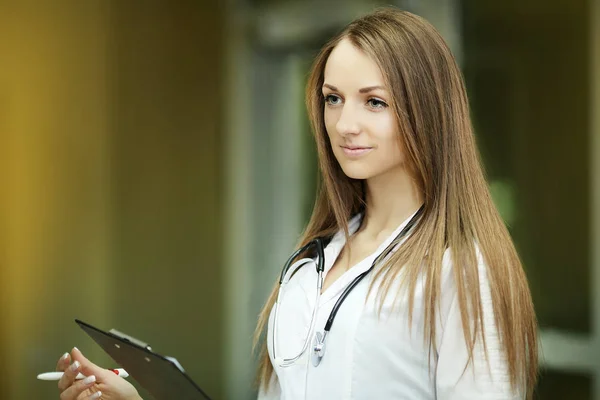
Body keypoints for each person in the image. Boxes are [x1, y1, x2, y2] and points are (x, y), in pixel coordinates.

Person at [55, 7, 538, 400]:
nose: (345, 124)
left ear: (427, 110)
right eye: (333, 99)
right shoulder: (311, 261)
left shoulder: (463, 270)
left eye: (374, 102)